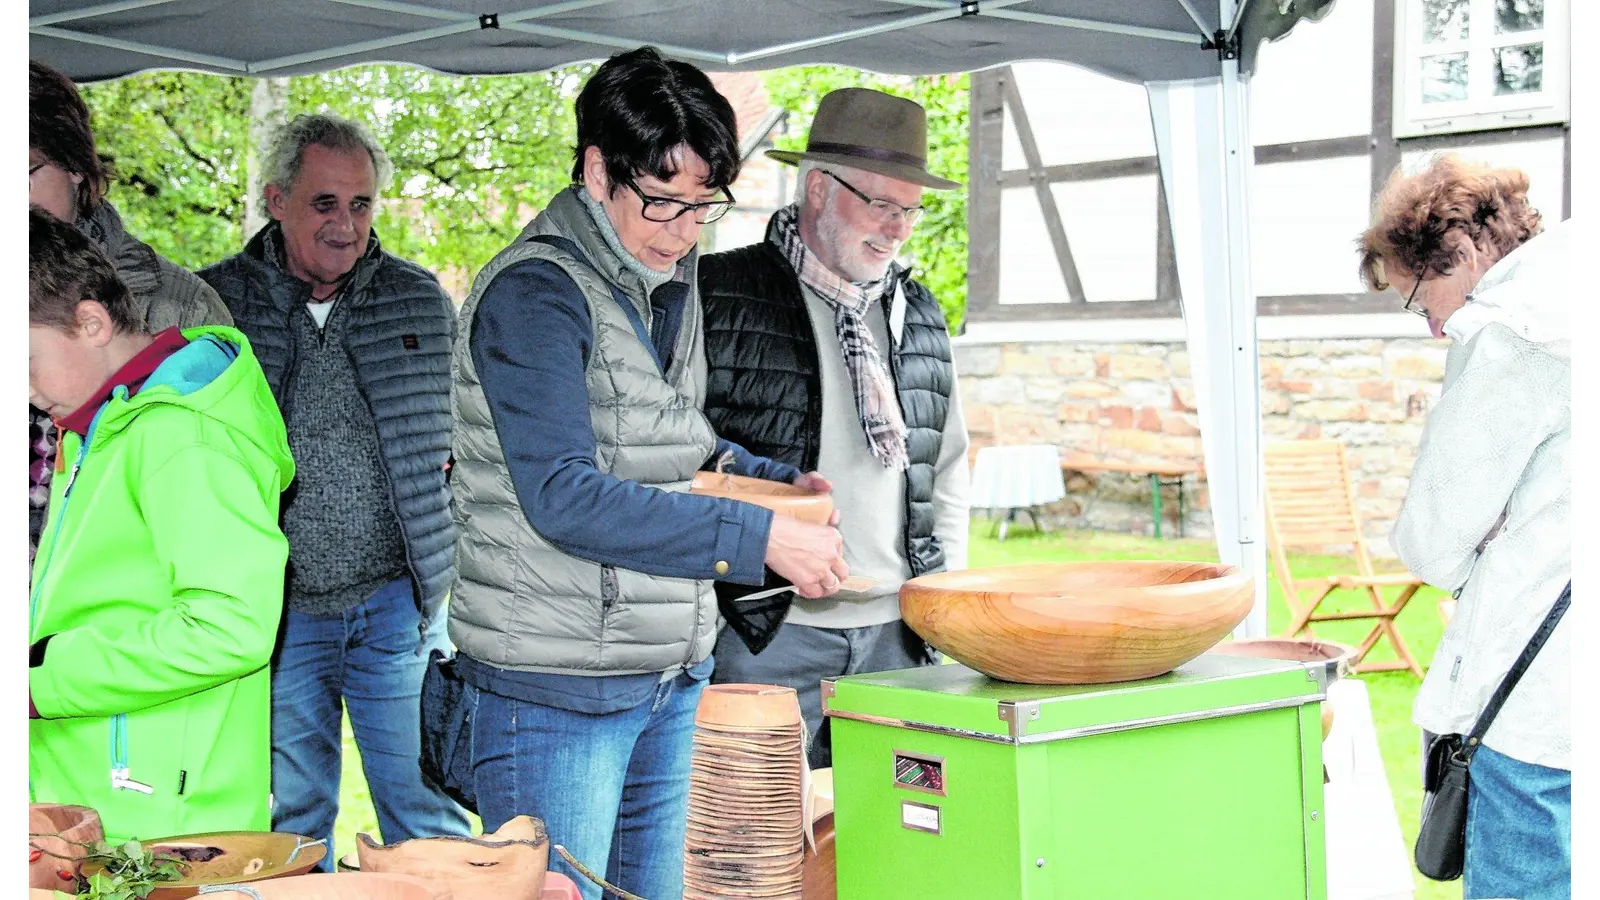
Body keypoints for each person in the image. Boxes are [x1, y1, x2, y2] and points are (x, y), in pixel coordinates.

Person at [448, 46, 848, 900]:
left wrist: (775, 483)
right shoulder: (535, 296)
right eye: (663, 202)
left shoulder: (666, 277)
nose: (684, 230)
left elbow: (671, 444)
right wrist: (756, 537)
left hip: (664, 671)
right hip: (553, 690)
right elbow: (561, 495)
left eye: (703, 207)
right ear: (597, 170)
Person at [199, 113, 468, 866]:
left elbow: (468, 439)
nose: (345, 226)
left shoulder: (419, 300)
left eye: (361, 205)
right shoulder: (215, 305)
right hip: (276, 616)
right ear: (276, 199)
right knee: (293, 818)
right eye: (325, 204)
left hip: (398, 606)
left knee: (424, 806)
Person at [698, 87, 972, 769]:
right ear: (817, 188)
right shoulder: (714, 292)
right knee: (757, 851)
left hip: (898, 641)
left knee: (894, 849)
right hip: (761, 631)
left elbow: (947, 469)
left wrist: (946, 599)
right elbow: (678, 461)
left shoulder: (919, 312)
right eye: (880, 203)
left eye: (909, 209)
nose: (898, 227)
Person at [27, 208, 292, 843]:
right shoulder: (101, 424)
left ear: (91, 322)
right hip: (96, 793)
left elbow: (230, 627)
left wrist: (41, 682)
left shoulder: (183, 435)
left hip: (161, 819)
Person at [1357, 153, 1569, 900]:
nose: (1432, 325)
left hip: (1538, 708)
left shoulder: (1510, 330)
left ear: (1464, 252)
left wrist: (1485, 532)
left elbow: (1433, 537)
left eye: (1420, 300)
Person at [28, 59, 232, 570]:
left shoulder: (176, 308)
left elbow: (223, 514)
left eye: (21, 173)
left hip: (106, 626)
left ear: (75, 166)